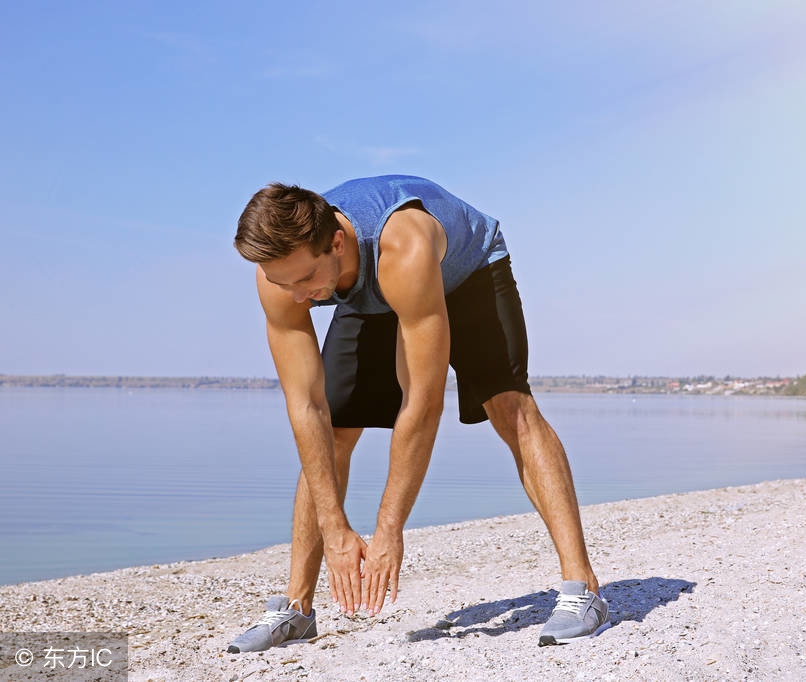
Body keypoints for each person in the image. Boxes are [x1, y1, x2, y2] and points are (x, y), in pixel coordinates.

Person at [227, 175, 609, 651]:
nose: (300, 296)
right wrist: (335, 527)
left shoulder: (402, 243)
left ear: (337, 243)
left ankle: (583, 590)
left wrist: (389, 528)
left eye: (305, 279)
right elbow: (306, 406)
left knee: (510, 408)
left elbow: (423, 402)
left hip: (467, 272)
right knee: (335, 434)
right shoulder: (281, 277)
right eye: (286, 283)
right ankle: (297, 610)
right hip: (376, 290)